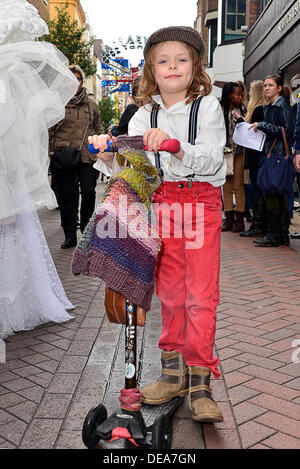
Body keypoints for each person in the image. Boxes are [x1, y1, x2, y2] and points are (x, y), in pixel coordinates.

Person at [90, 26, 226, 423]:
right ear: (151, 67)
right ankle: (172, 373)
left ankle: (200, 380)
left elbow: (214, 159)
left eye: (181, 59)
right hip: (164, 203)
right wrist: (108, 153)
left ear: (195, 65)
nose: (172, 66)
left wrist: (175, 145)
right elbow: (137, 171)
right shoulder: (142, 113)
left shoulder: (208, 107)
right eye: (163, 60)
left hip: (200, 203)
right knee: (170, 292)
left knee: (200, 294)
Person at [0, 0, 78, 339]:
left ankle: (13, 301)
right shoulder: (12, 74)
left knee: (11, 230)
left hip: (7, 170)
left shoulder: (9, 76)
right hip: (9, 170)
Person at [49, 65, 103, 249]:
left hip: (87, 157)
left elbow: (98, 128)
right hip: (63, 157)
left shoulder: (91, 104)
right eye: (71, 80)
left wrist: (101, 145)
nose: (76, 83)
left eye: (79, 80)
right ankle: (69, 234)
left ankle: (87, 230)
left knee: (89, 192)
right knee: (67, 198)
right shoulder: (56, 104)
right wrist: (50, 151)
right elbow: (47, 130)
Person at [249, 74, 295, 247]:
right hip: (271, 154)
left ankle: (276, 234)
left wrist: (262, 125)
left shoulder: (282, 105)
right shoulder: (271, 106)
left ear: (278, 88)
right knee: (274, 192)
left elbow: (288, 130)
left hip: (277, 155)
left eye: (270, 85)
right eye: (265, 85)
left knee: (272, 192)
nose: (266, 88)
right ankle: (281, 234)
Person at [233, 80, 268, 237]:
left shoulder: (257, 109)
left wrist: (241, 121)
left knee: (257, 189)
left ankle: (258, 226)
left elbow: (251, 133)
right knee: (260, 189)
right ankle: (261, 225)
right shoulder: (266, 109)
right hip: (261, 155)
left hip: (255, 155)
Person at [220, 82, 247, 232]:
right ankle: (228, 219)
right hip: (224, 152)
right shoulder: (219, 109)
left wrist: (241, 121)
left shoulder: (242, 109)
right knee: (226, 187)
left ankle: (239, 221)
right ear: (229, 95)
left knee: (239, 186)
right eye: (237, 94)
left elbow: (249, 129)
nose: (240, 97)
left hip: (239, 152)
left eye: (241, 94)